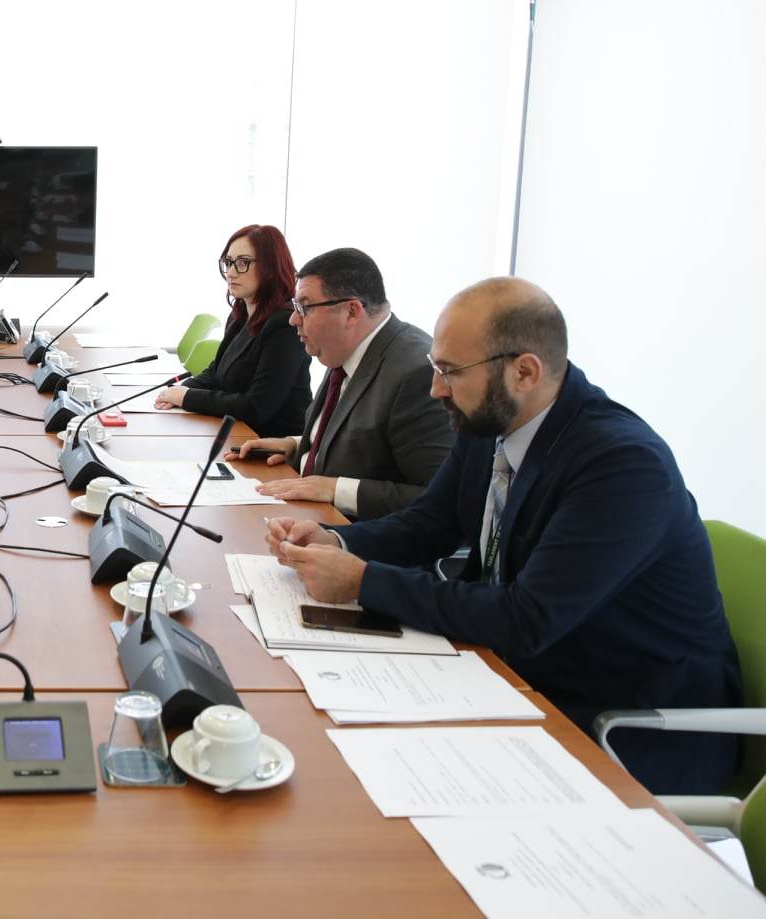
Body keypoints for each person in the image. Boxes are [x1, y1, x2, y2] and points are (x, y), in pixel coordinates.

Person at [266, 277, 741, 794]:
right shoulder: (491, 419)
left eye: (450, 372)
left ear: (524, 372)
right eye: (435, 367)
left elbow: (527, 619)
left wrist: (363, 582)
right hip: (513, 675)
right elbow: (430, 523)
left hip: (620, 720)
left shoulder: (622, 465)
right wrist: (337, 542)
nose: (436, 389)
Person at [225, 248, 452, 519]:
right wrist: (297, 445)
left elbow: (437, 500)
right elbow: (364, 440)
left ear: (351, 312)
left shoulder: (415, 373)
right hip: (307, 514)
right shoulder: (344, 349)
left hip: (353, 534)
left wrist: (335, 489)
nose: (293, 319)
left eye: (304, 307)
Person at [154, 224, 311, 436]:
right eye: (228, 262)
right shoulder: (240, 314)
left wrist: (186, 397)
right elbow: (216, 372)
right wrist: (178, 391)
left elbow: (256, 406)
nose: (230, 272)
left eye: (243, 263)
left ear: (271, 267)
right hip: (234, 435)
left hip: (270, 445)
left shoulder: (286, 324)